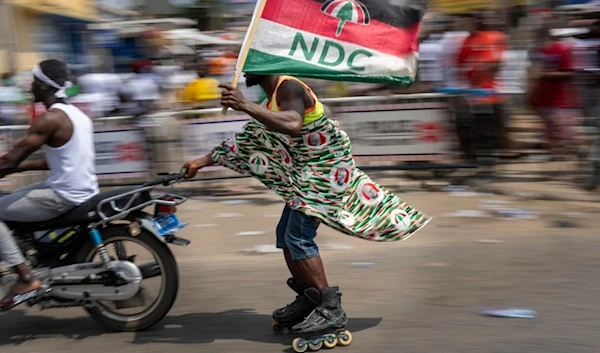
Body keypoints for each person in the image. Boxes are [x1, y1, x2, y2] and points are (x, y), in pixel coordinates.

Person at [182, 74, 431, 341]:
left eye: (249, 64)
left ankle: (330, 309)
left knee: (298, 237)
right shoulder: (270, 102)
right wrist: (200, 162)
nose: (243, 72)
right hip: (307, 180)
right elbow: (246, 142)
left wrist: (245, 106)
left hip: (324, 176)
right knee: (285, 237)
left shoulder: (289, 87)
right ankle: (310, 298)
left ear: (265, 65)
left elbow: (293, 124)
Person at [0, 59, 99, 310]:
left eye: (33, 81)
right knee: (7, 200)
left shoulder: (49, 120)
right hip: (82, 190)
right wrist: (17, 168)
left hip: (64, 195)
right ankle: (32, 257)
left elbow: (11, 157)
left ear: (43, 85)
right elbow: (54, 160)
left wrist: (11, 166)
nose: (30, 86)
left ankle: (25, 278)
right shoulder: (78, 116)